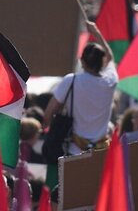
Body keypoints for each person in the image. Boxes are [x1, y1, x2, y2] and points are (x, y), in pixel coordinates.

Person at [44, 23, 117, 156]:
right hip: (102, 153)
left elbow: (49, 111)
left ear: (82, 62)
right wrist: (96, 33)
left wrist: (45, 128)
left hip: (74, 151)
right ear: (102, 62)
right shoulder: (110, 81)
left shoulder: (71, 80)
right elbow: (110, 58)